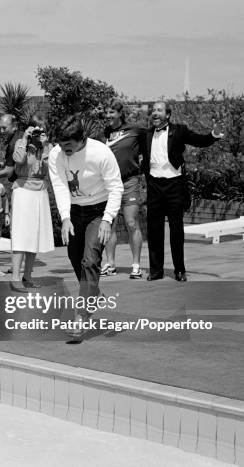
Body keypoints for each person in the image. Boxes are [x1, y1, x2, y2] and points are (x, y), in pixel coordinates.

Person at [49, 116, 123, 327]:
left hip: (99, 210)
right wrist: (64, 218)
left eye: (69, 147)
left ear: (82, 139)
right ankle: (94, 293)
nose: (64, 150)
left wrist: (107, 220)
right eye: (61, 146)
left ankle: (82, 315)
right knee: (75, 257)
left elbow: (116, 187)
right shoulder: (56, 154)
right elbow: (60, 186)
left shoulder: (101, 153)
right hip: (73, 211)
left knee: (90, 260)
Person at [143, 101, 223, 282]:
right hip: (154, 185)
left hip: (174, 185)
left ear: (168, 115)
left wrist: (213, 135)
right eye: (153, 110)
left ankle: (179, 269)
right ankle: (156, 271)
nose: (155, 113)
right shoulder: (146, 134)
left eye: (159, 110)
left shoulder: (179, 130)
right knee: (154, 230)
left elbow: (199, 140)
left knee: (176, 230)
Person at [100, 99, 146, 279]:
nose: (108, 115)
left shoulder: (135, 130)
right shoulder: (105, 133)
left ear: (120, 113)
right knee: (109, 225)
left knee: (131, 222)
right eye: (107, 112)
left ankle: (136, 265)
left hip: (129, 182)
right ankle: (110, 264)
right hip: (109, 185)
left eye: (112, 112)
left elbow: (149, 144)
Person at [10, 119, 54, 288]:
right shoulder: (22, 143)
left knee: (34, 236)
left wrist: (45, 146)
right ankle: (15, 277)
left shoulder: (47, 147)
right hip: (23, 190)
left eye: (41, 131)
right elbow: (19, 160)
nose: (38, 134)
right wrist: (24, 138)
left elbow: (50, 169)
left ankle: (27, 277)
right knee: (22, 235)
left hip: (40, 192)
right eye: (35, 130)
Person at [0, 114, 22, 181]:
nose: (1, 131)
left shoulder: (13, 143)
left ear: (14, 126)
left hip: (22, 184)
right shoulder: (21, 135)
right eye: (0, 128)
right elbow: (17, 163)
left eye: (4, 128)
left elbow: (8, 172)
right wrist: (2, 164)